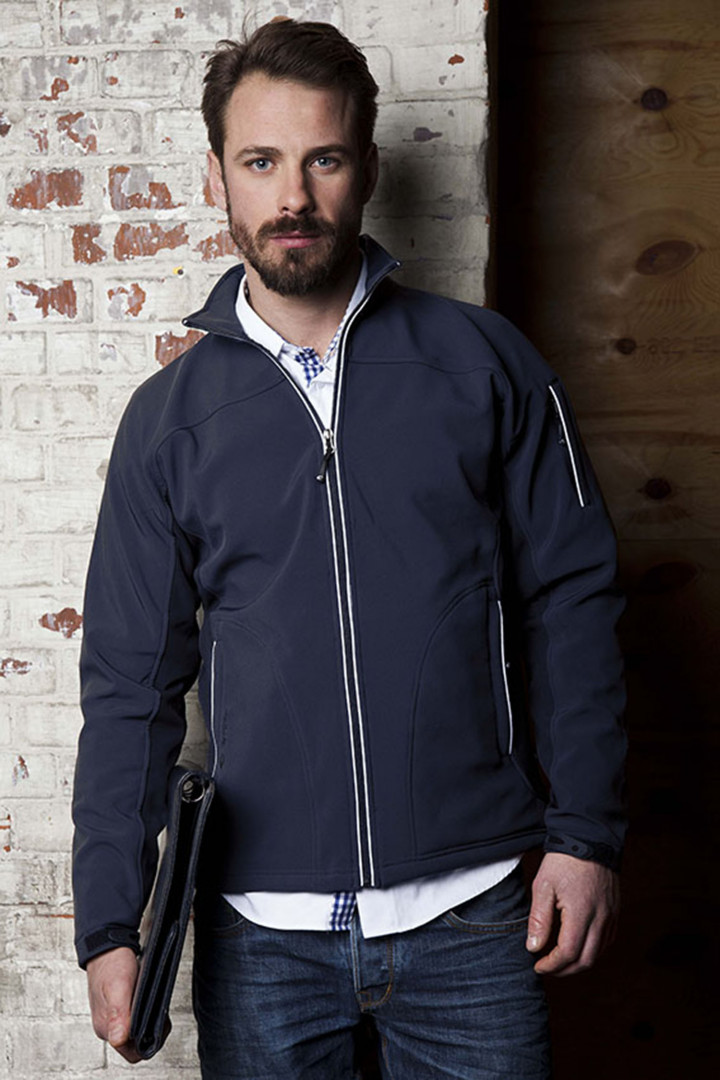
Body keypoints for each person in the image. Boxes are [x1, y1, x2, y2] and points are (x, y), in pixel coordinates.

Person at [72, 18, 626, 1079]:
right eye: (260, 162)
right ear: (216, 177)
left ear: (366, 168)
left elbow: (575, 600)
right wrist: (109, 922)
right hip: (260, 938)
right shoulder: (168, 422)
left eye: (322, 159)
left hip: (474, 914)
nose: (293, 196)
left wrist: (585, 835)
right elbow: (131, 686)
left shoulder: (486, 365)